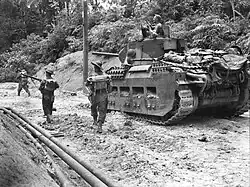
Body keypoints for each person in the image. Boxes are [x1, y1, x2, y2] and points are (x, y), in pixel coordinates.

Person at [85, 61, 112, 133]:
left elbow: (109, 86)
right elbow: (87, 84)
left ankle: (100, 125)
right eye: (94, 67)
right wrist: (89, 85)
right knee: (93, 107)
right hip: (95, 93)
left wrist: (109, 82)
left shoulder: (105, 75)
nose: (94, 68)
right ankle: (94, 120)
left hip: (102, 93)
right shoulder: (92, 75)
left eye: (95, 67)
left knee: (102, 109)